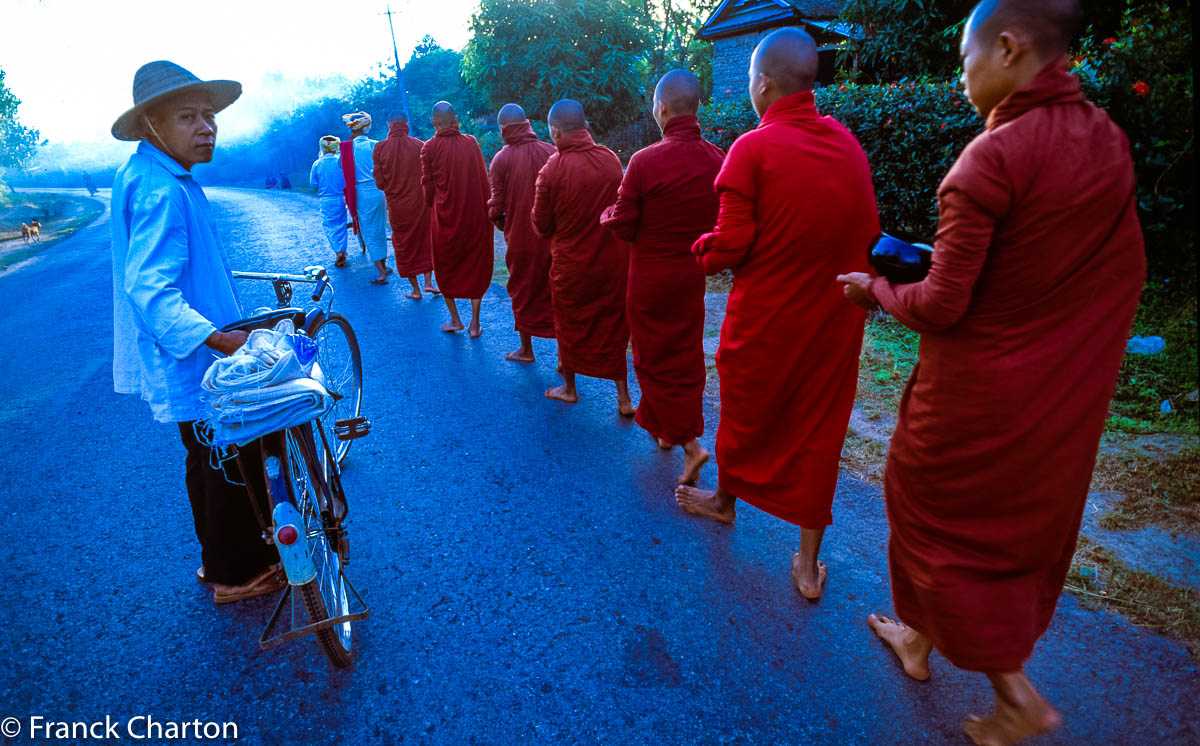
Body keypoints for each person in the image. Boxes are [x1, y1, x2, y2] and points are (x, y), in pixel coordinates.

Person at [837, 2, 1145, 742]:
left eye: (965, 57)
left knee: (934, 523)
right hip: (1058, 388)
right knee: (1004, 528)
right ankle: (918, 640)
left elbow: (943, 304)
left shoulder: (990, 159)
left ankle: (1015, 700)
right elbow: (1112, 271)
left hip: (977, 392)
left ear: (1009, 49)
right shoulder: (1106, 137)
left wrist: (873, 290)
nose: (961, 74)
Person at [675, 29, 878, 603]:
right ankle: (808, 566)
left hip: (767, 317)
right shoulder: (846, 144)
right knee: (819, 429)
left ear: (763, 83)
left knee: (744, 408)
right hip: (833, 320)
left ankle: (723, 502)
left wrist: (700, 249)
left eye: (748, 82)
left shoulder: (753, 148)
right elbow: (864, 233)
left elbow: (732, 244)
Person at [110, 60, 282, 604]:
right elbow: (152, 290)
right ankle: (238, 574)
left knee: (206, 458)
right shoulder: (161, 189)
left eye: (209, 116)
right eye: (189, 117)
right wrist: (220, 338)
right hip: (196, 358)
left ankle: (216, 562)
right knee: (231, 456)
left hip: (191, 353)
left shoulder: (157, 175)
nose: (206, 127)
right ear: (151, 125)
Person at [600, 70, 723, 485]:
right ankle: (666, 434)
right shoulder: (718, 159)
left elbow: (625, 221)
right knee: (684, 355)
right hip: (691, 277)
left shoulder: (643, 160)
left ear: (663, 108)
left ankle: (690, 445)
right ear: (698, 108)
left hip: (650, 278)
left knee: (651, 358)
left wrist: (608, 218)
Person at [531, 99, 634, 414]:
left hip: (572, 265)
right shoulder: (610, 159)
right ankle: (624, 398)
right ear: (585, 126)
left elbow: (541, 225)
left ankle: (570, 388)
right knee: (613, 325)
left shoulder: (552, 169)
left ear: (556, 130)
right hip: (612, 260)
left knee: (570, 323)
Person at [488, 103, 557, 362]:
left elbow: (496, 205)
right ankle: (564, 358)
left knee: (522, 291)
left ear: (503, 128)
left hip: (519, 238)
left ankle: (526, 350)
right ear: (527, 122)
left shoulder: (501, 159)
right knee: (555, 293)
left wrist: (501, 222)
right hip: (551, 238)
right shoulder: (551, 151)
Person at [419, 101, 493, 336]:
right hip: (473, 215)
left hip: (444, 217)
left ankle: (455, 319)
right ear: (456, 119)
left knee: (445, 264)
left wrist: (432, 203)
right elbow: (483, 178)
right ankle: (474, 323)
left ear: (433, 122)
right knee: (475, 264)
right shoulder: (471, 143)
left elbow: (427, 187)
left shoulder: (429, 148)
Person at [374, 110, 439, 299]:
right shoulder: (420, 145)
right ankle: (429, 282)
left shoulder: (380, 148)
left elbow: (379, 183)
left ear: (389, 125)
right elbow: (431, 176)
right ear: (407, 124)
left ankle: (416, 290)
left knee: (404, 245)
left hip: (398, 206)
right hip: (421, 204)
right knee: (425, 240)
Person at [343, 111, 392, 284]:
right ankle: (384, 265)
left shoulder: (347, 149)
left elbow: (342, 172)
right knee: (379, 228)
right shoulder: (376, 144)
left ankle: (381, 272)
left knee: (368, 231)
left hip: (361, 191)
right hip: (379, 190)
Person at [308, 135, 348, 267]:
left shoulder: (317, 163)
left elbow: (313, 184)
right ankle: (342, 250)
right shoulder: (341, 161)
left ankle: (339, 252)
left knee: (330, 226)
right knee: (342, 224)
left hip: (326, 199)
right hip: (342, 197)